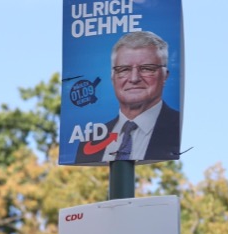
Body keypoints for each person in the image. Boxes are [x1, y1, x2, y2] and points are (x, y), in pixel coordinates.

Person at [75, 30, 181, 164]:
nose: (134, 78)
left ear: (165, 76)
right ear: (112, 77)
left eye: (147, 68)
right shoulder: (90, 139)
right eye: (124, 69)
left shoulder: (179, 127)